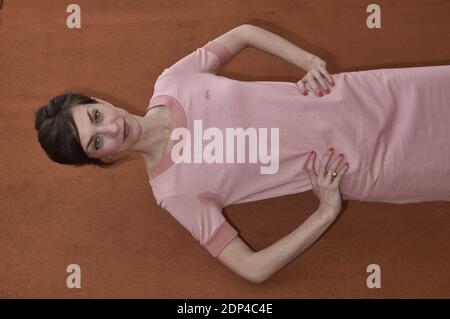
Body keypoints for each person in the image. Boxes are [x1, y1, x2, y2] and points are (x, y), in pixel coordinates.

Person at [34, 24, 450, 283]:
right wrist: (326, 209)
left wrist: (306, 61)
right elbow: (253, 270)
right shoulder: (174, 193)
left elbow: (243, 33)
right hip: (366, 165)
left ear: (96, 99)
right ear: (101, 159)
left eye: (94, 115)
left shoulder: (174, 80)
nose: (111, 128)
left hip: (359, 97)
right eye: (97, 142)